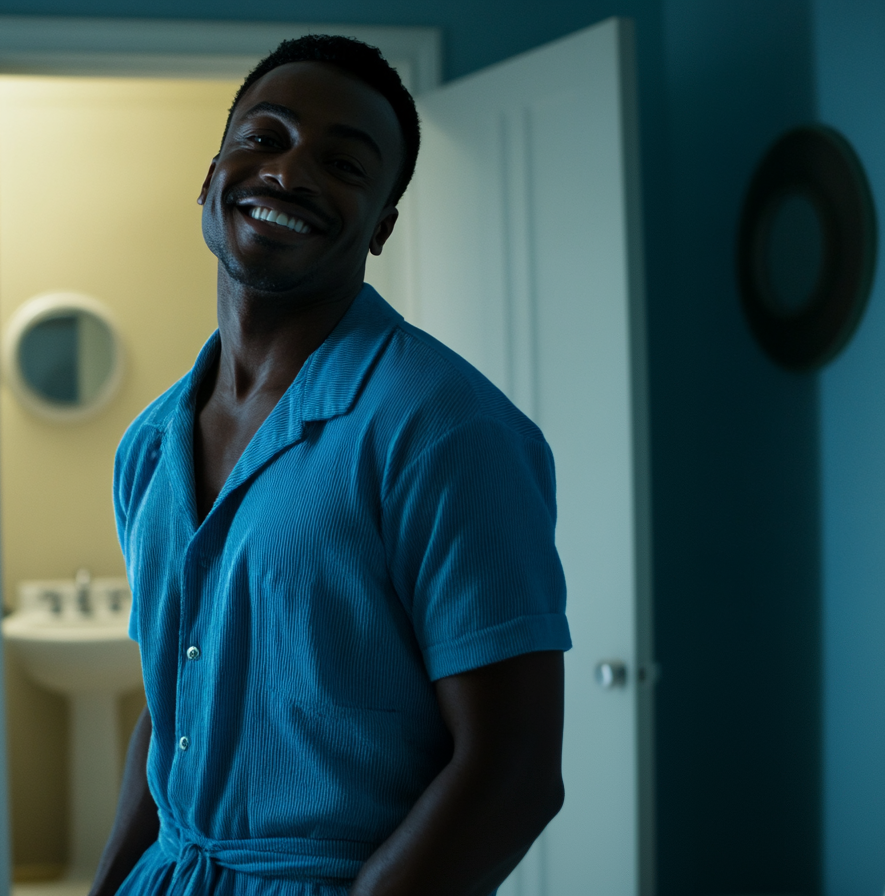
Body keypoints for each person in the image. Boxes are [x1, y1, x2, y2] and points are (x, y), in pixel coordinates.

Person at [95, 34, 570, 896]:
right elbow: (170, 722)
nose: (290, 171)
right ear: (211, 178)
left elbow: (516, 773)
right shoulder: (148, 448)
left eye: (344, 163)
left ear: (381, 224)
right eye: (263, 137)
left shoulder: (443, 431)